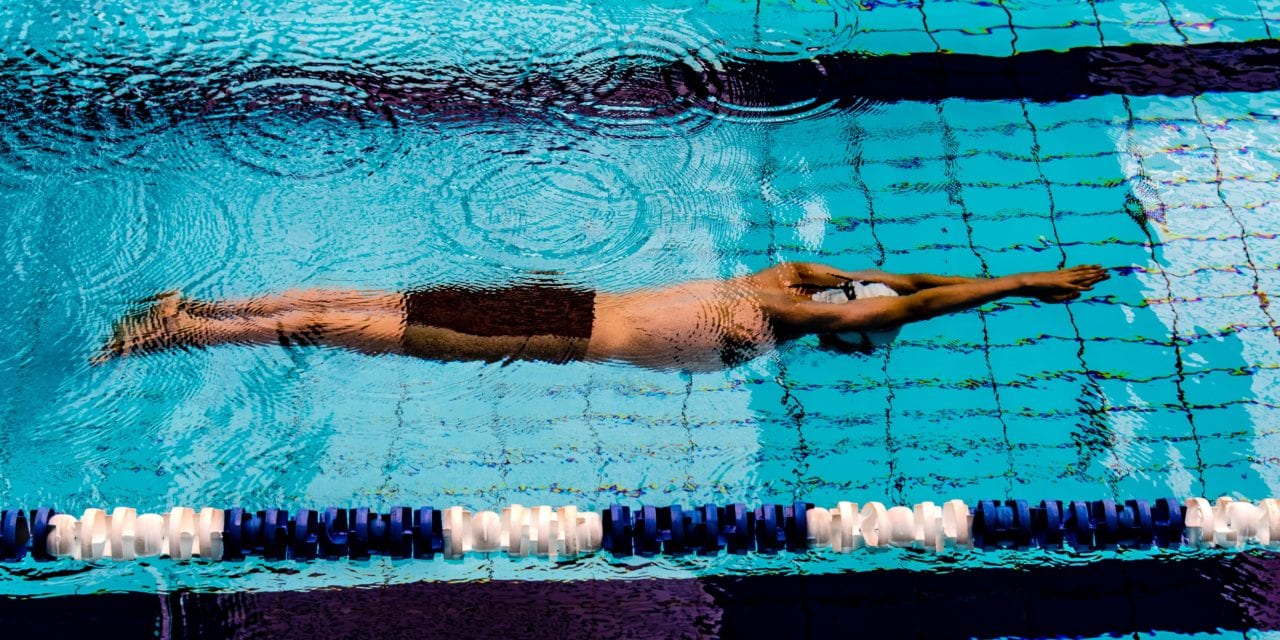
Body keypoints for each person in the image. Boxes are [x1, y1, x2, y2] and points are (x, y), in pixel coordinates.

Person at [94, 263, 1110, 371]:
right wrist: (1021, 287)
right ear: (834, 326)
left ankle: (192, 305)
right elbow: (918, 304)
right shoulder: (772, 326)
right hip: (556, 333)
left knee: (371, 301)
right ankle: (179, 332)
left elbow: (899, 286)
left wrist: (1022, 271)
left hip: (562, 297)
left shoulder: (778, 277)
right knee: (359, 327)